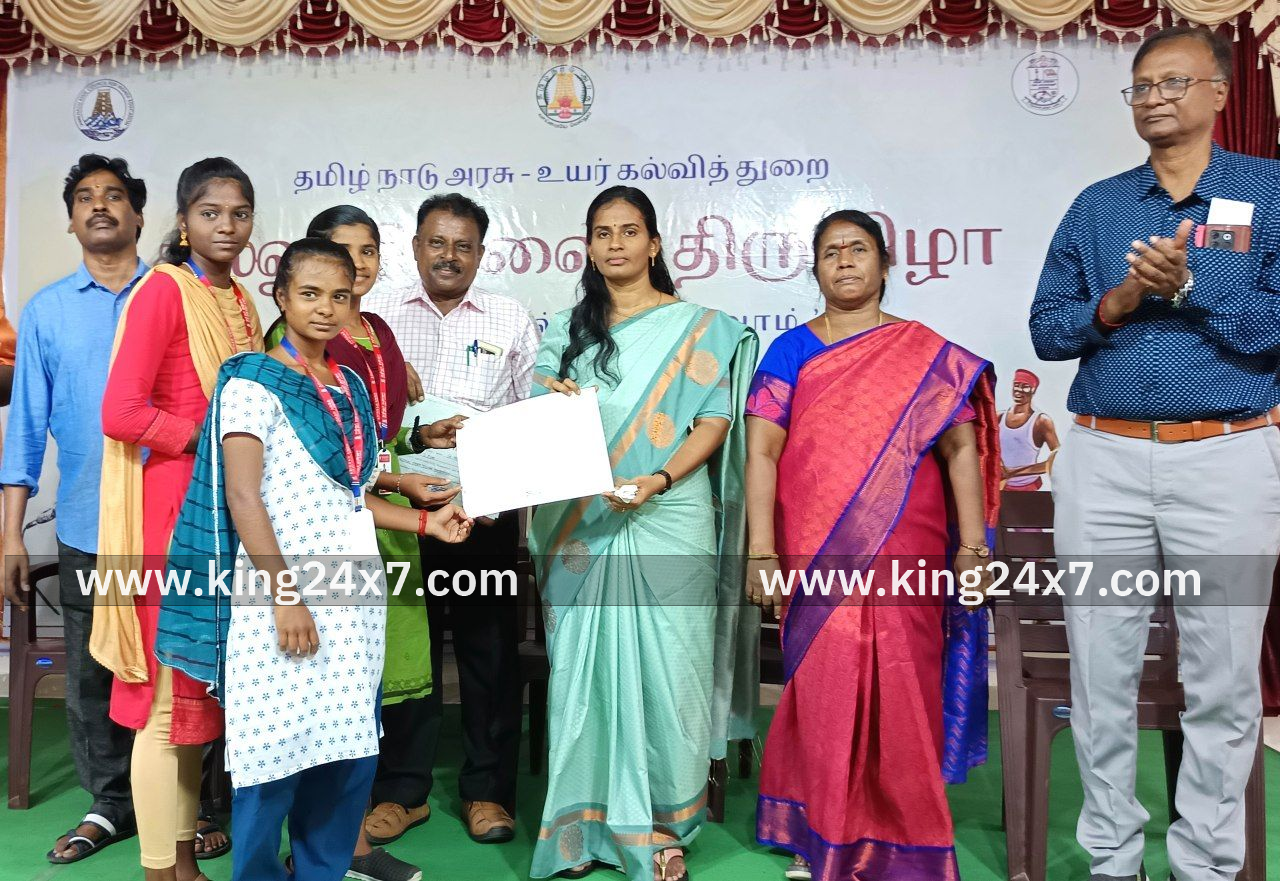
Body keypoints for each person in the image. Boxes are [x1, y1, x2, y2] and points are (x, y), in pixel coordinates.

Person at [1029, 26, 1280, 881]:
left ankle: (1204, 863)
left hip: (1228, 455)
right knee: (1100, 673)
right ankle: (1113, 859)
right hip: (1104, 459)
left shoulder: (1267, 193)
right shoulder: (1099, 207)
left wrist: (1192, 288)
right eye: (1141, 86)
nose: (1155, 98)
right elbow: (1048, 327)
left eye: (1174, 82)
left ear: (1220, 93)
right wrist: (1119, 301)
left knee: (1224, 677)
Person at [156, 237, 473, 881]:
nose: (326, 308)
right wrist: (285, 598)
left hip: (353, 597)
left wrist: (425, 521)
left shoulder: (349, 386)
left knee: (345, 749)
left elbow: (350, 497)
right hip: (280, 595)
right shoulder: (251, 381)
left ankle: (323, 870)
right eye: (309, 294)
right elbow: (244, 497)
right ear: (281, 297)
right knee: (273, 751)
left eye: (340, 296)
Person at [747, 210, 998, 881]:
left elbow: (961, 449)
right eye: (830, 251)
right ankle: (821, 837)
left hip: (909, 546)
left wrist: (974, 549)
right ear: (815, 269)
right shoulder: (789, 351)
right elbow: (762, 452)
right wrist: (761, 552)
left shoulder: (925, 354)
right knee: (824, 686)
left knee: (904, 683)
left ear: (885, 265)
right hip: (816, 550)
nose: (845, 261)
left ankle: (906, 837)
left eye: (858, 249)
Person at [530, 186, 757, 881]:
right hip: (585, 520)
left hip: (670, 512)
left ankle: (664, 824)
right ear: (589, 246)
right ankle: (581, 826)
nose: (616, 244)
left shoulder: (700, 330)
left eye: (630, 231)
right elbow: (539, 413)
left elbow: (713, 421)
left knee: (673, 670)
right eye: (603, 233)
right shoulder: (565, 330)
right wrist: (552, 402)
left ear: (654, 244)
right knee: (583, 675)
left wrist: (656, 478)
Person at [265, 206, 460, 881]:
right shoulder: (285, 352)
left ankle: (345, 847)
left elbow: (368, 441)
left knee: (357, 698)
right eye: (339, 254)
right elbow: (302, 462)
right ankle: (309, 850)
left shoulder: (374, 334)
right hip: (314, 538)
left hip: (376, 523)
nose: (355, 267)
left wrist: (414, 450)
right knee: (314, 697)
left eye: (367, 252)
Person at [92, 157, 264, 881]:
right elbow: (121, 411)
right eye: (210, 213)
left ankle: (185, 861)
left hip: (221, 521)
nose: (227, 226)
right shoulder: (164, 291)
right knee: (167, 705)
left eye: (239, 213)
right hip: (170, 523)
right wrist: (207, 437)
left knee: (196, 706)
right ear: (184, 221)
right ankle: (161, 869)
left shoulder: (241, 300)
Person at [362, 193, 539, 845]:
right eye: (437, 243)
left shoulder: (510, 318)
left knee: (489, 655)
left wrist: (500, 493)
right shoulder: (378, 319)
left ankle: (487, 792)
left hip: (481, 516)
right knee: (404, 657)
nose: (449, 256)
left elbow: (529, 421)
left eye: (463, 246)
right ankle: (400, 792)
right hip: (397, 519)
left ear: (481, 254)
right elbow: (360, 423)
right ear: (414, 248)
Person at [0, 154, 148, 864]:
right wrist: (11, 535)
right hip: (89, 523)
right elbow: (26, 429)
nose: (99, 205)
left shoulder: (173, 295)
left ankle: (195, 802)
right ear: (70, 221)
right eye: (84, 197)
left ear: (138, 215)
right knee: (93, 673)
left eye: (114, 195)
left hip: (176, 520)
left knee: (182, 662)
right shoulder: (48, 311)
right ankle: (110, 805)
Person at [998, 368, 1059, 491]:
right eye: (1016, 385)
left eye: (1025, 386)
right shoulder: (998, 417)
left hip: (1028, 488)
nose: (1019, 390)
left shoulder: (1041, 421)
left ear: (1033, 390)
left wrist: (1013, 472)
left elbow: (1057, 459)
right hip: (999, 487)